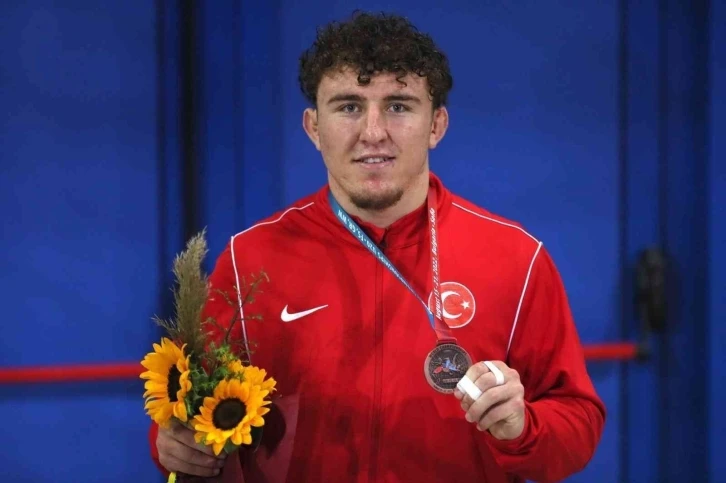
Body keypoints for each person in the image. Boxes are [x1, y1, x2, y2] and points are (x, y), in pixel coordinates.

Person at [149, 11, 605, 483]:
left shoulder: (515, 258)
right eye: (348, 106)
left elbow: (578, 427)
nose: (372, 132)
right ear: (313, 127)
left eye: (398, 106)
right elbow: (184, 413)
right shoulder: (251, 258)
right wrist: (173, 445)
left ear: (436, 125)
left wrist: (522, 428)